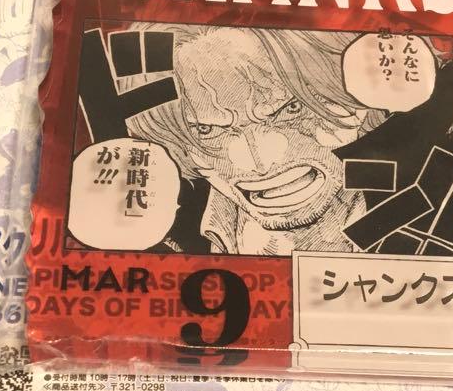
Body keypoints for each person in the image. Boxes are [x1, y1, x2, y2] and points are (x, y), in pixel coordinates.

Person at [127, 26, 385, 255]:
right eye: (207, 130)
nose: (259, 162)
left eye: (291, 109)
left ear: (357, 101)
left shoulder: (405, 222)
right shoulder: (166, 245)